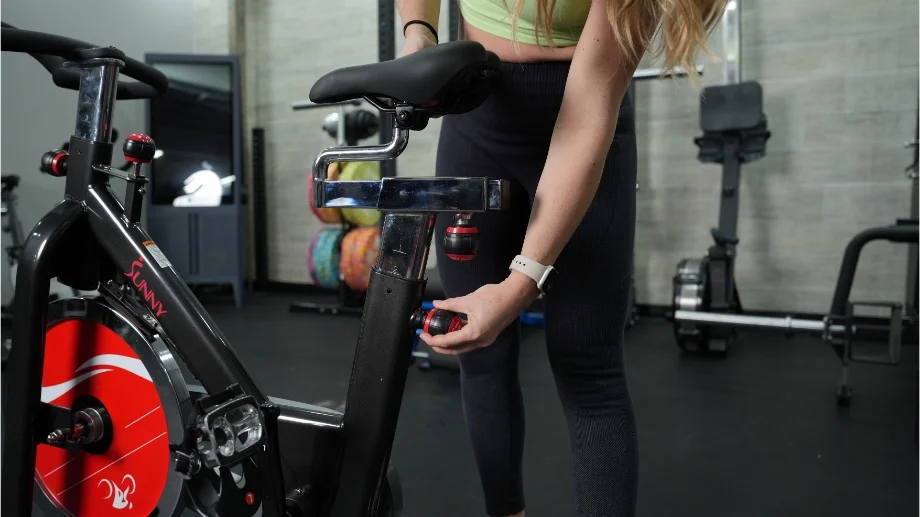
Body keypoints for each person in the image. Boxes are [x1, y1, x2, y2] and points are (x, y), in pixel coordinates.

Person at [397, 0, 725, 515]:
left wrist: (521, 282)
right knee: (479, 356)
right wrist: (419, 32)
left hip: (586, 119)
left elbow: (587, 111)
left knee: (588, 365)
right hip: (477, 116)